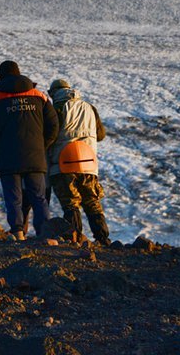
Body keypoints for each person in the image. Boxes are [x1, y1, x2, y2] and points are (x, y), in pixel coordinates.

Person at [0, 60, 58, 240]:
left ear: (0, 76)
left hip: (8, 157)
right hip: (35, 156)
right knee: (39, 196)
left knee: (14, 198)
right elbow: (53, 125)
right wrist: (41, 146)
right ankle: (45, 234)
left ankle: (18, 233)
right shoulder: (39, 96)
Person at [46, 79, 111, 245]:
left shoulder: (56, 109)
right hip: (88, 162)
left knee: (70, 203)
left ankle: (75, 239)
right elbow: (101, 135)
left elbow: (50, 135)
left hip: (63, 163)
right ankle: (103, 238)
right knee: (92, 201)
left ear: (53, 93)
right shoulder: (89, 107)